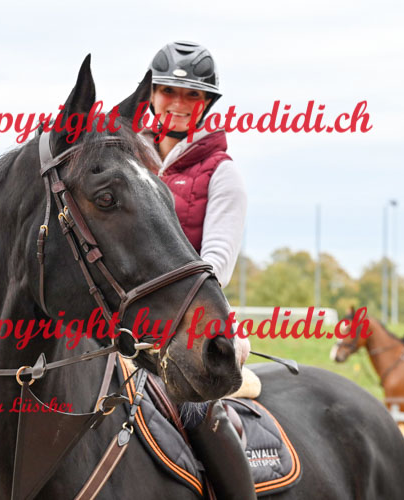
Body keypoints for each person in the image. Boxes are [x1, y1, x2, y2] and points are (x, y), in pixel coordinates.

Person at [143, 41, 255, 500]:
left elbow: (216, 266)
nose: (178, 103)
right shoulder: (127, 160)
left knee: (196, 406)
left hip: (188, 323)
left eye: (192, 94)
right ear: (152, 95)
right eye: (169, 91)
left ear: (206, 103)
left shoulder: (223, 174)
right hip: (119, 314)